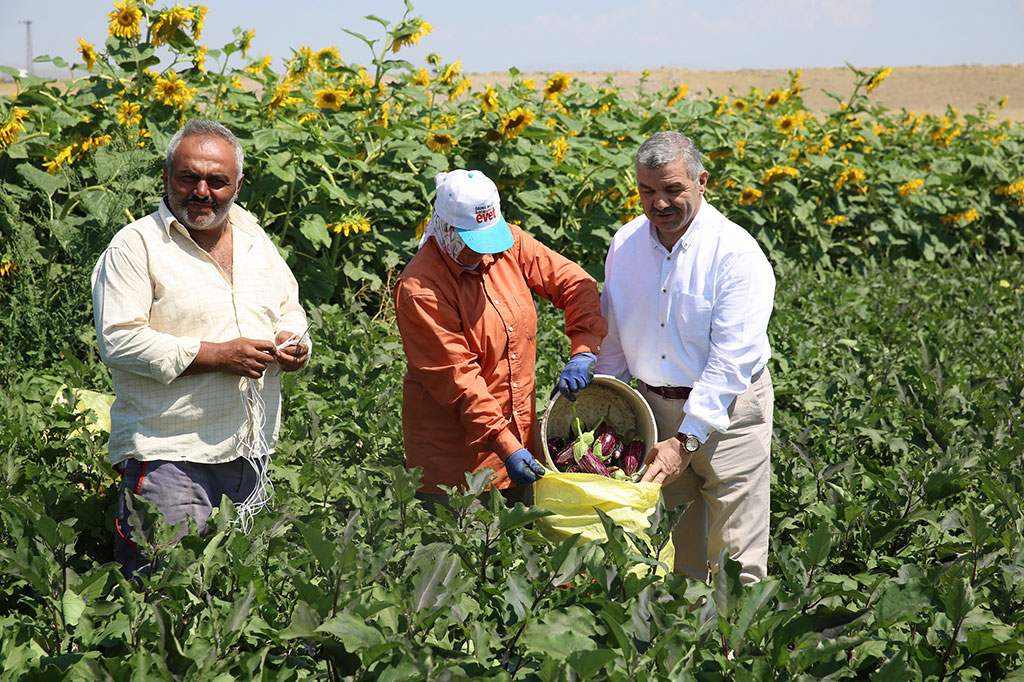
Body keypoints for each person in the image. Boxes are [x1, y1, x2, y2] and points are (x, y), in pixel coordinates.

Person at [92, 118, 310, 577]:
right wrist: (217, 355)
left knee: (236, 596)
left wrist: (294, 344)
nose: (202, 191)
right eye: (188, 177)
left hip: (250, 451)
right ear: (167, 176)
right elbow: (119, 339)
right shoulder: (136, 247)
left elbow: (289, 309)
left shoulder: (254, 239)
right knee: (163, 590)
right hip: (171, 453)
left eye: (217, 181)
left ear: (238, 184)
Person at [596, 131, 776, 583]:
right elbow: (614, 340)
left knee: (736, 557)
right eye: (647, 191)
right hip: (654, 409)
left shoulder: (735, 253)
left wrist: (686, 440)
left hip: (730, 414)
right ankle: (686, 645)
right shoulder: (626, 244)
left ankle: (736, 651)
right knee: (676, 552)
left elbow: (729, 362)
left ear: (702, 182)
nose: (659, 203)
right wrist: (606, 408)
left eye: (673, 189)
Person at [395, 169, 607, 507]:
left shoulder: (508, 243)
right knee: (463, 552)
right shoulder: (421, 291)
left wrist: (583, 348)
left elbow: (573, 283)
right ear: (446, 230)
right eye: (473, 245)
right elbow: (460, 382)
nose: (485, 254)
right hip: (457, 467)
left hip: (520, 443)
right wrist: (505, 444)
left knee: (516, 555)